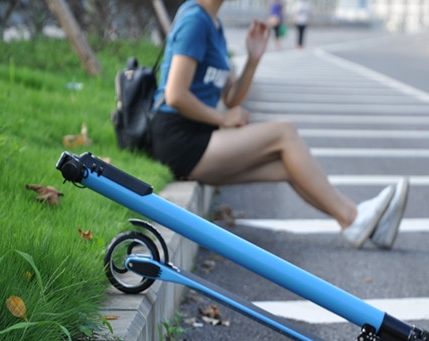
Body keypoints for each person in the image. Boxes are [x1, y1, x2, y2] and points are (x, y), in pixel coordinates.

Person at [150, 0, 409, 250]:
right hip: (177, 139)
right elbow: (175, 94)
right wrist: (221, 119)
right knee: (284, 133)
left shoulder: (214, 23)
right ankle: (354, 218)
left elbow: (230, 98)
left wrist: (253, 59)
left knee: (287, 166)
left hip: (199, 138)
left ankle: (355, 222)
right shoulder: (195, 20)